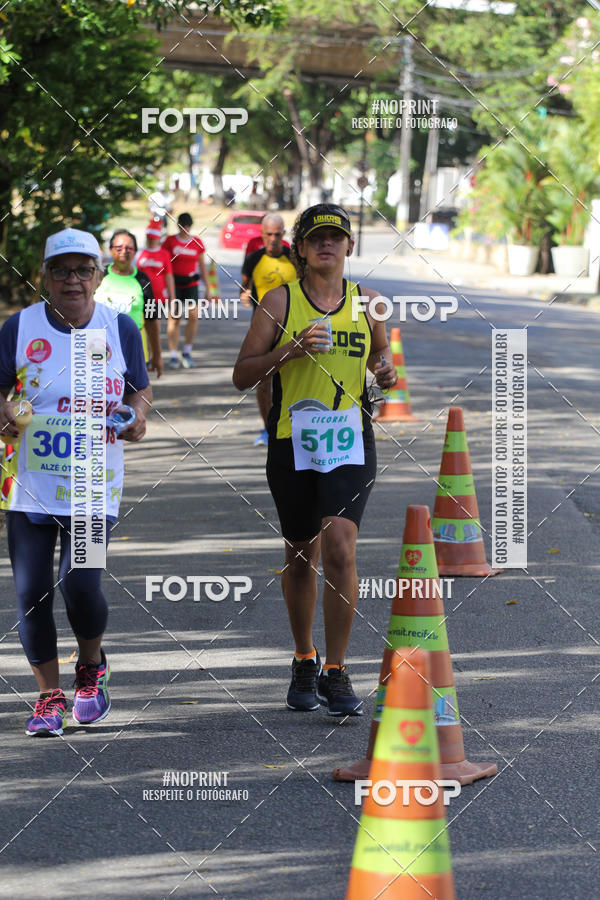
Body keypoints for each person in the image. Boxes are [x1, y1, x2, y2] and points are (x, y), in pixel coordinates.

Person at [232, 204, 398, 716]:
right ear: (300, 249)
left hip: (349, 439)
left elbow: (377, 360)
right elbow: (243, 374)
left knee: (341, 547)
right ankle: (305, 656)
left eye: (336, 237)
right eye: (317, 238)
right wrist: (291, 351)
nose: (327, 244)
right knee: (302, 552)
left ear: (349, 247)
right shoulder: (279, 302)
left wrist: (385, 373)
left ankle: (338, 670)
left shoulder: (369, 304)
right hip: (293, 439)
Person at [0, 226, 152, 736]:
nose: (72, 280)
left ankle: (91, 666)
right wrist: (8, 410)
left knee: (80, 584)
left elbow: (140, 392)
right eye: (61, 270)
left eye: (83, 269)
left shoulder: (119, 328)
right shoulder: (18, 328)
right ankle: (48, 696)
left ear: (99, 274)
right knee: (30, 592)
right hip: (30, 482)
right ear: (45, 276)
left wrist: (136, 418)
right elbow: (2, 394)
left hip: (91, 482)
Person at [240, 214, 297, 446]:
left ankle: (293, 428)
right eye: (269, 234)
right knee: (263, 381)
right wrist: (244, 296)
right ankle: (268, 429)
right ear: (262, 235)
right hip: (262, 327)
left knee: (292, 379)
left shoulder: (294, 258)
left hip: (292, 327)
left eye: (278, 234)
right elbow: (244, 288)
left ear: (284, 234)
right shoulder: (253, 259)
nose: (274, 239)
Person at [94, 229, 163, 378]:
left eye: (129, 248)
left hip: (134, 349)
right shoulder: (98, 276)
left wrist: (157, 355)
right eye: (118, 248)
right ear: (111, 250)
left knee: (135, 396)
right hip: (99, 349)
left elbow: (151, 320)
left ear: (135, 251)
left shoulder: (143, 280)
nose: (124, 252)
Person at [162, 213, 212, 370]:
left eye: (188, 227)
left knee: (193, 317)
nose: (186, 230)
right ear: (178, 226)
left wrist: (208, 289)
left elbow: (202, 267)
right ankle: (172, 355)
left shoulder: (197, 242)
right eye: (183, 227)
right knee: (175, 319)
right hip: (174, 284)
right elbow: (164, 265)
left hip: (191, 284)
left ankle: (187, 352)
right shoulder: (170, 242)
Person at [136, 219, 175, 320]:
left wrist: (172, 297)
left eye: (154, 239)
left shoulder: (164, 254)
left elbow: (168, 276)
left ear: (158, 239)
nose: (152, 241)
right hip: (141, 296)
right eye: (150, 239)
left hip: (159, 297)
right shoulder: (139, 254)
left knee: (154, 325)